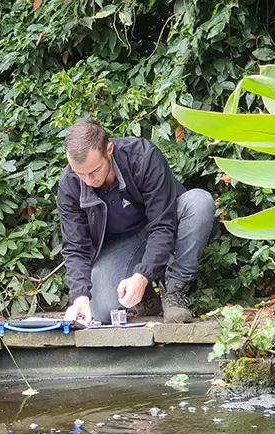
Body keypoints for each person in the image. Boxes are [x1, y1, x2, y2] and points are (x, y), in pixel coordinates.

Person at [57, 117, 215, 325]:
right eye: (80, 173)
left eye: (94, 171)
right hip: (123, 243)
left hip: (163, 222)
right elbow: (76, 247)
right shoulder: (69, 184)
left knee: (199, 202)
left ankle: (175, 291)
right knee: (101, 310)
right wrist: (79, 296)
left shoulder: (143, 157)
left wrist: (143, 274)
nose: (88, 181)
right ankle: (147, 295)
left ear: (109, 150)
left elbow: (162, 225)